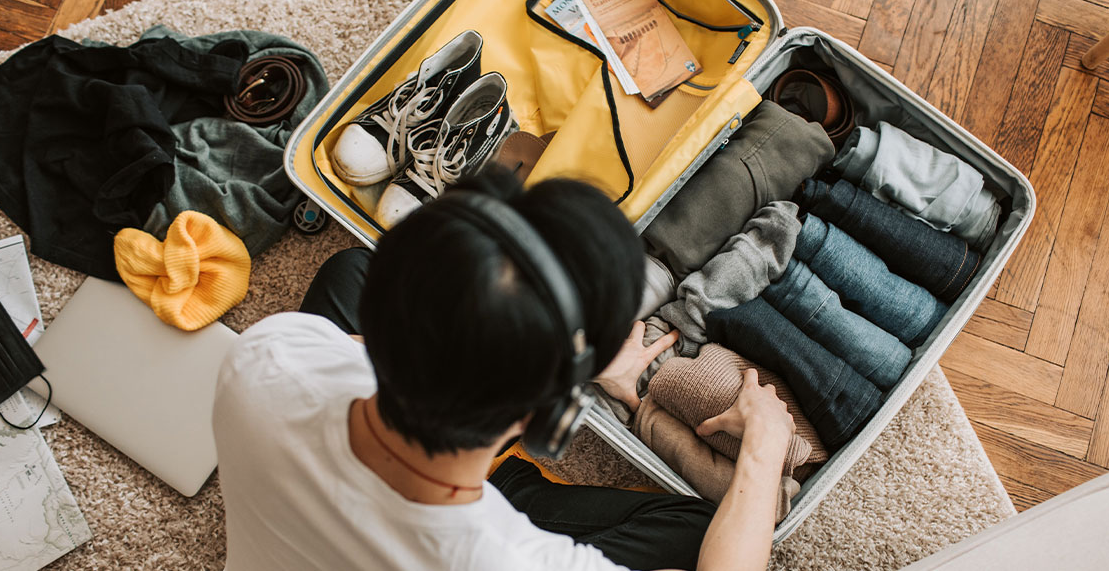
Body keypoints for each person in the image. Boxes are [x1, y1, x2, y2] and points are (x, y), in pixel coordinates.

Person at [212, 165, 796, 570]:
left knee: (347, 273)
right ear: (552, 418)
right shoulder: (515, 560)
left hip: (376, 473)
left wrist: (534, 348)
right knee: (701, 536)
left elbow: (365, 347)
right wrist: (764, 447)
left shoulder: (268, 354)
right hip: (462, 514)